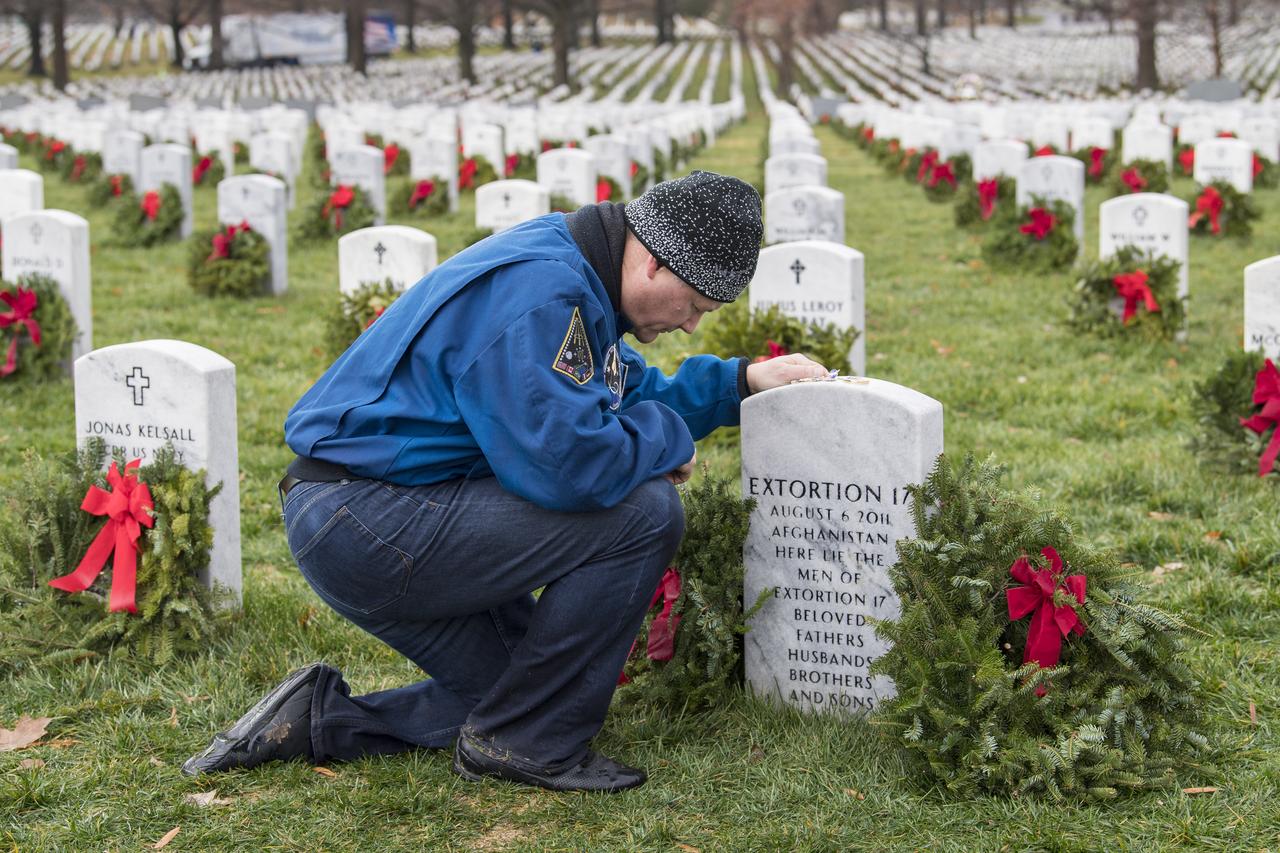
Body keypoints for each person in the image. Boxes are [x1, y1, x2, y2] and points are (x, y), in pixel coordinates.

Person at [182, 170, 827, 792]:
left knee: (524, 690)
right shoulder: (544, 293)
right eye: (694, 305)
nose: (692, 325)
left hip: (377, 508)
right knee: (647, 510)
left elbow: (621, 389)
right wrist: (665, 440)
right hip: (368, 519)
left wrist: (739, 383)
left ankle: (320, 720)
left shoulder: (580, 272)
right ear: (655, 262)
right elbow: (567, 466)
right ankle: (529, 746)